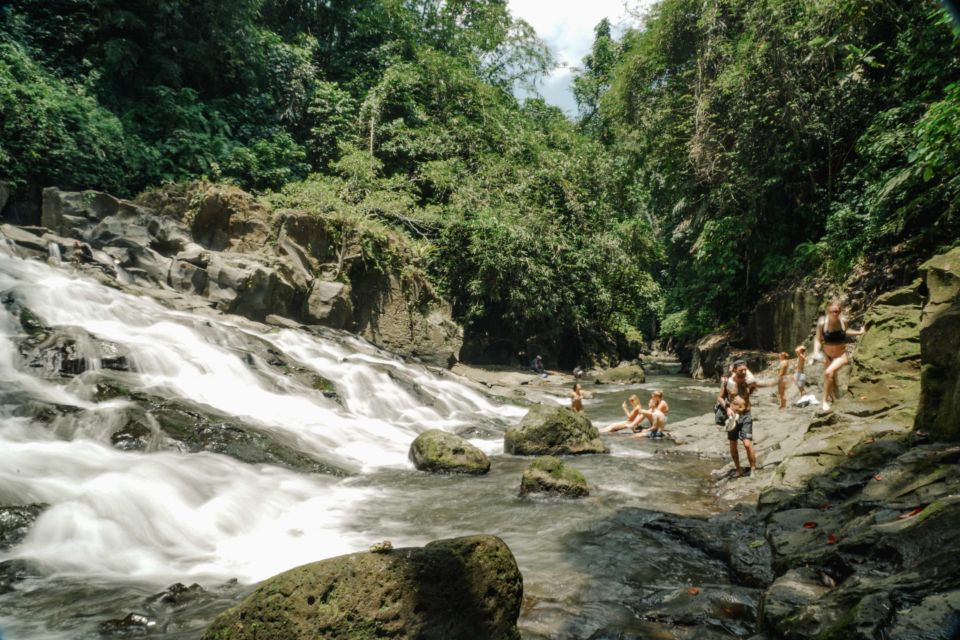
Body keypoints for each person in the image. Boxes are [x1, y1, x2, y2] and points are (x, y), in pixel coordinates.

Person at [812, 300, 864, 412]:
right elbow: (818, 338)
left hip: (841, 355)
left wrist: (859, 332)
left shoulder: (842, 320)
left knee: (828, 373)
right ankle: (834, 400)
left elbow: (846, 331)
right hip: (827, 355)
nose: (836, 313)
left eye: (838, 311)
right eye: (833, 311)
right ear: (828, 311)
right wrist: (816, 352)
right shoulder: (822, 322)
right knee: (831, 379)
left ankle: (824, 402)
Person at [726, 395, 758, 477]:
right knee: (733, 443)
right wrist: (727, 408)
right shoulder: (727, 383)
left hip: (746, 415)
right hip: (733, 417)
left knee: (747, 444)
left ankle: (753, 468)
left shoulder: (746, 383)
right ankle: (738, 469)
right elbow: (720, 398)